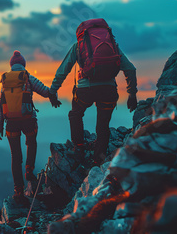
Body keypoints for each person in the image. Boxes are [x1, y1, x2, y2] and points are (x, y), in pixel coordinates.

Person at [49, 18, 138, 165]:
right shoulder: (113, 46)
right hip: (108, 91)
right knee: (103, 125)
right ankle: (99, 160)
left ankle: (78, 149)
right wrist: (132, 94)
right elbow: (130, 69)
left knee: (75, 114)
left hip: (85, 91)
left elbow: (63, 71)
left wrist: (53, 91)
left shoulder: (78, 47)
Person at [0, 50, 61, 205]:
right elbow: (45, 91)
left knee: (15, 156)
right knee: (31, 142)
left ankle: (18, 191)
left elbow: (0, 106)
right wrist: (53, 97)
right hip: (28, 120)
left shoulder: (5, 81)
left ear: (11, 66)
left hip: (10, 123)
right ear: (23, 64)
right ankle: (29, 170)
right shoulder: (28, 78)